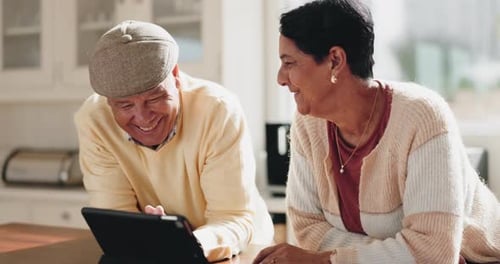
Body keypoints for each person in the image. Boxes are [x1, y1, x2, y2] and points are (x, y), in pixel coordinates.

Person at [253, 0, 500, 263]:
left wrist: (328, 260)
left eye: (289, 63)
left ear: (335, 60)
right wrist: (402, 253)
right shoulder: (309, 122)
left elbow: (432, 254)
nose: (280, 78)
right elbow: (308, 229)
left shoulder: (422, 116)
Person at [74, 20, 273, 262]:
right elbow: (117, 219)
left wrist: (185, 244)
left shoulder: (217, 109)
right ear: (108, 101)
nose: (143, 117)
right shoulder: (94, 119)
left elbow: (233, 218)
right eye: (125, 105)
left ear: (176, 76)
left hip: (240, 253)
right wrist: (154, 238)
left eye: (154, 97)